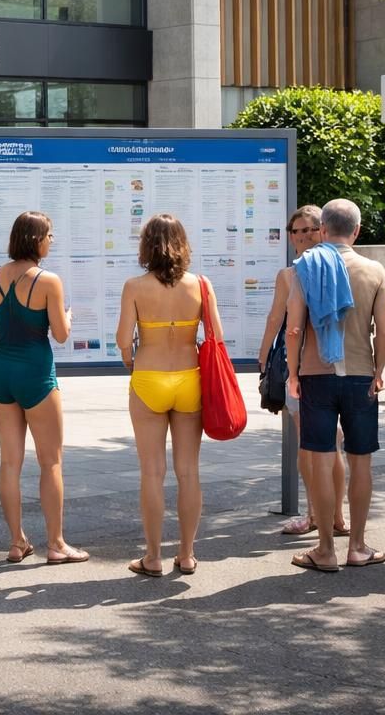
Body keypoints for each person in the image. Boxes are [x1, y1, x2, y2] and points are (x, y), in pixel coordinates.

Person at [286, 198, 385, 573]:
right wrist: (380, 370)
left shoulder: (306, 266)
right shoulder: (375, 270)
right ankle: (359, 546)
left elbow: (295, 327)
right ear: (357, 231)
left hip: (317, 374)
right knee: (360, 460)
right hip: (362, 374)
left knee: (320, 458)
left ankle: (326, 550)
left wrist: (294, 374)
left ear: (323, 230)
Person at [0, 211, 83, 565]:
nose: (51, 240)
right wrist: (67, 316)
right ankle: (56, 544)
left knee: (10, 462)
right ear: (36, 239)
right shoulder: (48, 281)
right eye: (49, 235)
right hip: (36, 372)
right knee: (51, 462)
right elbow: (62, 335)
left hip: (2, 373)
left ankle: (17, 542)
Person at [115, 214, 211, 577]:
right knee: (189, 472)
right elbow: (214, 334)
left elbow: (124, 340)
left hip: (149, 378)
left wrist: (130, 358)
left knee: (152, 473)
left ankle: (152, 557)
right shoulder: (201, 284)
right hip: (189, 378)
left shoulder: (135, 286)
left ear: (146, 246)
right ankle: (186, 555)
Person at [258, 205, 347, 538]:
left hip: (305, 367)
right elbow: (273, 319)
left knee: (312, 446)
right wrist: (264, 352)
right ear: (290, 236)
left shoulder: (294, 273)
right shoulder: (336, 267)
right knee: (330, 444)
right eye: (298, 230)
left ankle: (318, 516)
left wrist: (265, 355)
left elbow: (279, 321)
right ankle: (332, 516)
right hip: (336, 367)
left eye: (311, 229)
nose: (305, 236)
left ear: (323, 230)